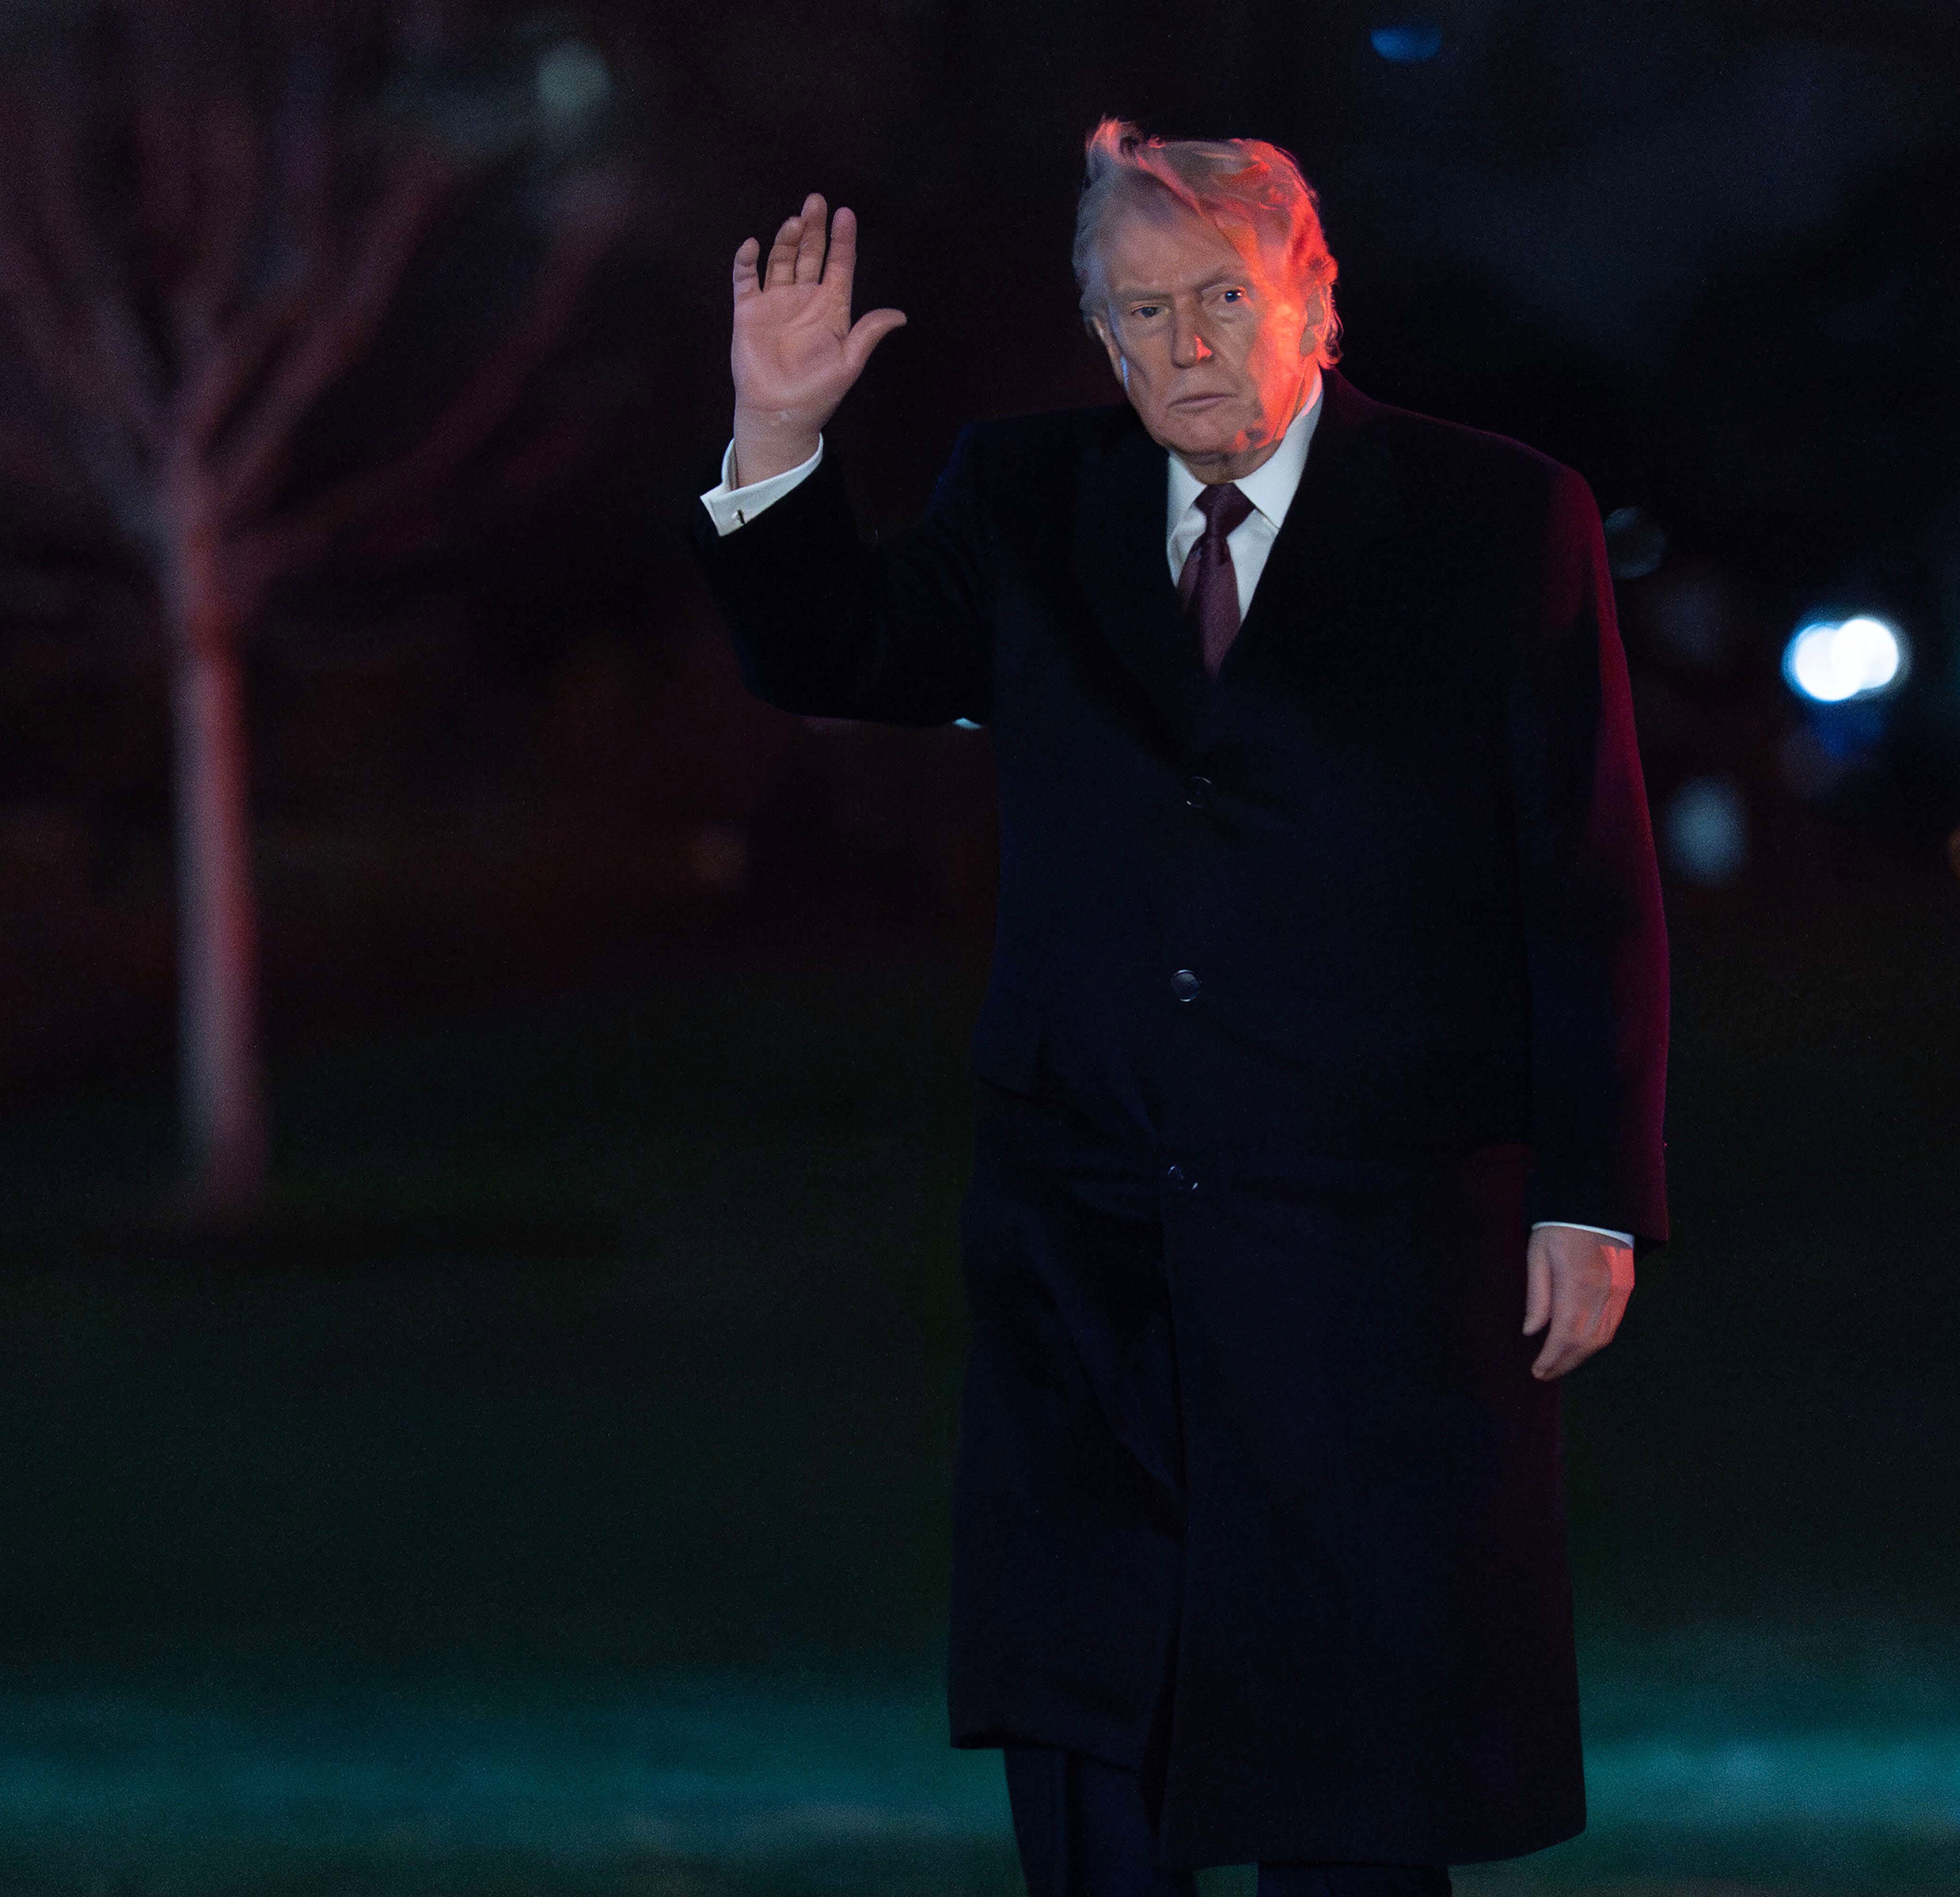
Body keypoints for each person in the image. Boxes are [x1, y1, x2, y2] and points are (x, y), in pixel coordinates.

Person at [686, 119, 1669, 1897]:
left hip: (1373, 1256)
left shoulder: (1499, 521)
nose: (1186, 345)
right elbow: (836, 651)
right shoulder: (1028, 502)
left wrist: (1592, 1194)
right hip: (1090, 1254)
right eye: (1140, 313)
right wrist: (780, 432)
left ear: (1317, 299)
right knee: (1094, 1740)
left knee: (1358, 1769)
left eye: (1224, 296)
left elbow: (1584, 877)